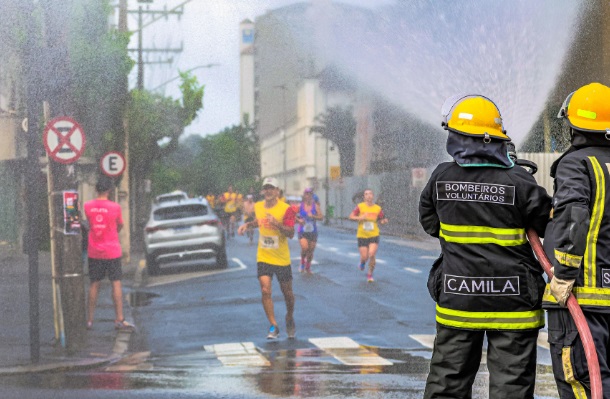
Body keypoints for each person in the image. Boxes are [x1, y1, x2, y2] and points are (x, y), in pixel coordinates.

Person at [419, 94, 551, 398]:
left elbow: (430, 224)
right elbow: (546, 224)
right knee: (511, 388)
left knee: (447, 384)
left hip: (458, 300)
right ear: (496, 139)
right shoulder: (519, 181)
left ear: (455, 137)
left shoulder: (440, 178)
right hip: (513, 304)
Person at [543, 82, 610, 398]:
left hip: (584, 298)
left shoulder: (577, 163)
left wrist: (565, 274)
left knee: (580, 381)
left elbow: (574, 218)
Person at [237, 177, 297, 339]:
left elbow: (291, 233)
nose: (268, 191)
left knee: (288, 294)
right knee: (265, 290)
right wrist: (247, 225)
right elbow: (259, 221)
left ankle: (289, 316)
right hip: (263, 256)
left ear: (277, 191)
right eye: (266, 188)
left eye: (272, 188)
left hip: (281, 258)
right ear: (263, 191)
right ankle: (273, 325)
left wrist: (276, 224)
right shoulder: (258, 206)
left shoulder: (286, 209)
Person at [84, 177, 135, 331]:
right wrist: (111, 232)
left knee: (94, 284)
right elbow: (120, 224)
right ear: (109, 191)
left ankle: (90, 320)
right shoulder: (115, 207)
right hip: (112, 250)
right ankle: (119, 318)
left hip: (94, 250)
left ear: (96, 189)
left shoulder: (88, 206)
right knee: (116, 283)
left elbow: (89, 223)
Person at [349, 189, 388, 282]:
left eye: (370, 194)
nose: (369, 196)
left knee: (371, 254)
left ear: (373, 196)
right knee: (364, 257)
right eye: (366, 194)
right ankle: (362, 262)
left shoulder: (377, 208)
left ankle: (370, 274)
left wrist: (383, 221)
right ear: (364, 197)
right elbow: (351, 217)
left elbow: (382, 219)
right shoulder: (360, 207)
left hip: (374, 234)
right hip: (362, 235)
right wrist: (360, 217)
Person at [296, 187, 324, 273]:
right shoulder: (300, 206)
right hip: (302, 231)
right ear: (304, 195)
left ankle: (308, 266)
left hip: (313, 231)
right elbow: (291, 214)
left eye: (310, 194)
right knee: (305, 248)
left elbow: (321, 217)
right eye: (307, 194)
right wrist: (298, 220)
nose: (308, 195)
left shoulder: (315, 206)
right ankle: (302, 263)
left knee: (311, 251)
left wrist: (313, 216)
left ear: (312, 195)